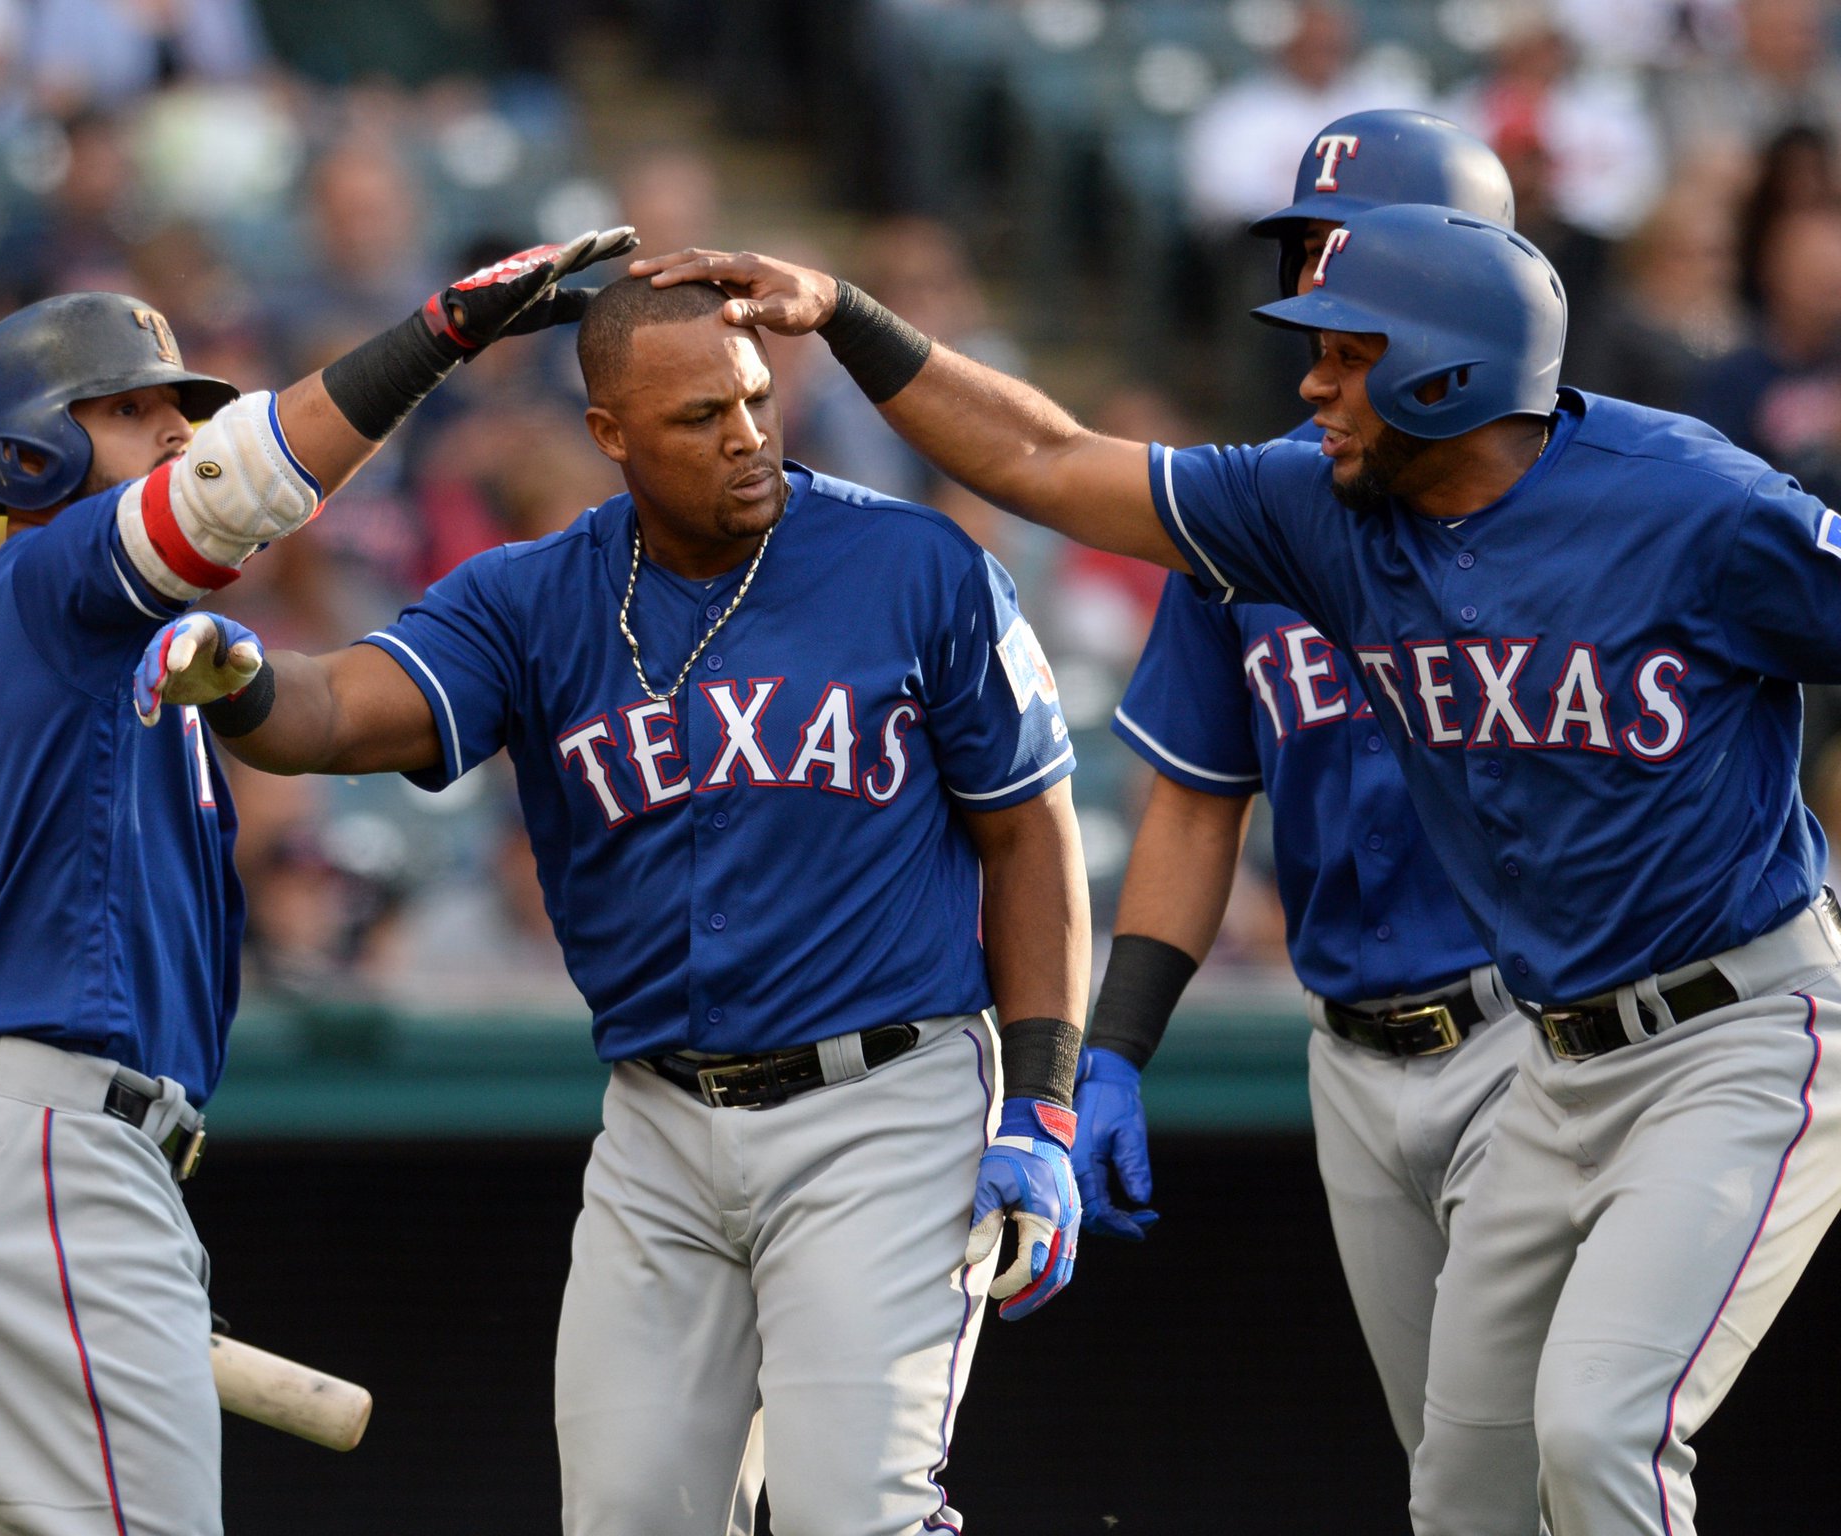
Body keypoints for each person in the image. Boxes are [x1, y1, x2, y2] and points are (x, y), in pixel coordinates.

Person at [633, 203, 1841, 1534]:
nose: (1311, 383)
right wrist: (851, 320)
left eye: (1344, 352)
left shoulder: (1694, 505)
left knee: (1602, 1426)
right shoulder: (1315, 505)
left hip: (1736, 1032)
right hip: (1562, 1063)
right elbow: (1046, 459)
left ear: (1448, 372)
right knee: (1466, 1492)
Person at [137, 272, 1092, 1536]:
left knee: (847, 1511)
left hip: (886, 1101)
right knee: (628, 1513)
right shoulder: (532, 596)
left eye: (755, 399)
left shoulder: (912, 564)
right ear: (610, 435)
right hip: (659, 1123)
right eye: (700, 416)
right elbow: (344, 713)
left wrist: (1041, 1102)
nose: (745, 434)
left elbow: (1029, 834)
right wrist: (247, 686)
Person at [0, 226, 635, 1536]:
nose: (174, 432)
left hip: (14, 1159)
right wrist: (432, 339)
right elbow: (237, 494)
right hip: (51, 1155)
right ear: (28, 449)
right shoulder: (57, 578)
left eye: (183, 408)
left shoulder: (61, 634)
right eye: (127, 411)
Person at [1078, 109, 1536, 1464]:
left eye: (1354, 246)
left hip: (1544, 1033)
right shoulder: (1256, 512)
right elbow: (1196, 797)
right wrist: (1113, 1047)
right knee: (1462, 1483)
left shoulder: (1600, 494)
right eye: (1305, 252)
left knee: (1570, 1442)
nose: (1316, 281)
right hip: (1355, 1054)